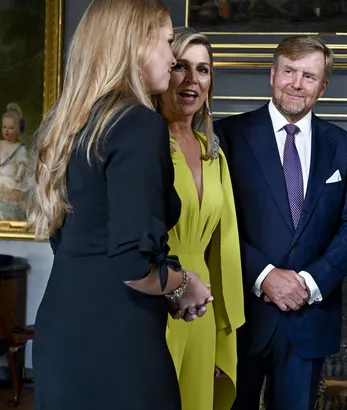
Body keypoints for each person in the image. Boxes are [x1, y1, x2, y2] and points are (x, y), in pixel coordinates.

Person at [27, 1, 213, 409]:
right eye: (166, 42)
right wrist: (185, 285)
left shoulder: (75, 122)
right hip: (117, 342)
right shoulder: (138, 123)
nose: (172, 58)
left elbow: (80, 242)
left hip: (62, 332)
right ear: (136, 43)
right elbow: (132, 263)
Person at [214, 35, 347, 410]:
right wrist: (265, 275)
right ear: (272, 74)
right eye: (289, 72)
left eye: (309, 76)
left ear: (323, 87)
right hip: (242, 315)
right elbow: (217, 222)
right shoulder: (227, 136)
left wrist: (308, 283)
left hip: (309, 318)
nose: (297, 84)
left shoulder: (344, 145)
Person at [156, 26, 246, 410]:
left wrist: (223, 335)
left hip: (202, 309)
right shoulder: (145, 145)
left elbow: (225, 248)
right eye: (181, 66)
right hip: (154, 299)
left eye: (203, 70)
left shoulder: (214, 154)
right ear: (162, 71)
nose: (193, 79)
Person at [0, 103, 30, 220]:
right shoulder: (1, 144)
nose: (7, 131)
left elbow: (22, 164)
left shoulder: (19, 148)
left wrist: (18, 176)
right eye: (4, 127)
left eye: (11, 128)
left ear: (19, 130)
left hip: (10, 180)